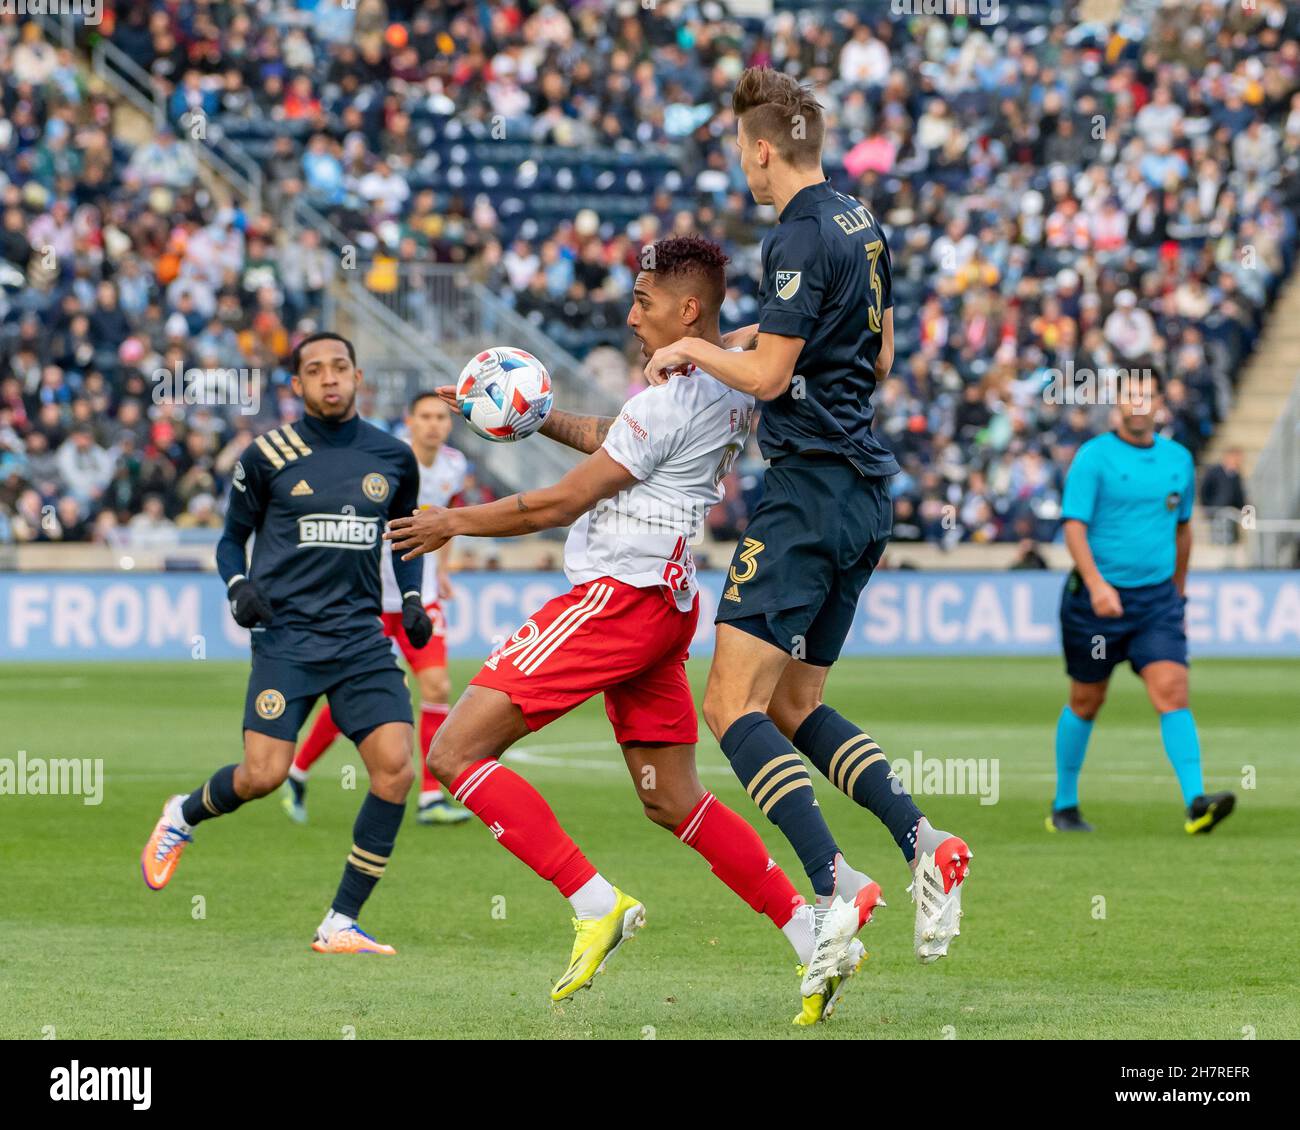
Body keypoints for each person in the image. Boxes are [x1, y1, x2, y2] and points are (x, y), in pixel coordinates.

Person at [388, 236, 861, 1025]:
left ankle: (592, 899)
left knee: (454, 751)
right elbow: (627, 432)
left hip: (617, 595)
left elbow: (555, 505)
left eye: (644, 303)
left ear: (687, 309)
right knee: (672, 798)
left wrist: (452, 521)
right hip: (665, 604)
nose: (630, 316)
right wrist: (535, 417)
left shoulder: (672, 393)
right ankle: (812, 933)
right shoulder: (721, 384)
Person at [643, 68, 971, 985]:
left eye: (736, 150)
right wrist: (757, 337)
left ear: (759, 147)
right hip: (868, 489)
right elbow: (882, 348)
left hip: (808, 492)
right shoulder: (861, 222)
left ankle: (835, 880)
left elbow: (772, 381)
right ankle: (923, 839)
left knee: (731, 708)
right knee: (794, 706)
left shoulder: (791, 234)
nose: (738, 166)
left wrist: (696, 347)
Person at [140, 332, 433, 955]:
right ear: (296, 385)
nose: (330, 379)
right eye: (314, 371)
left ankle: (340, 922)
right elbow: (228, 540)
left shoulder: (394, 458)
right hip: (287, 638)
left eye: (340, 368)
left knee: (396, 769)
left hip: (359, 637)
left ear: (358, 377)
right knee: (262, 776)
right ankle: (182, 815)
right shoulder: (266, 454)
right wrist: (238, 585)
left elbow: (405, 540)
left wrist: (410, 599)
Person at [1052, 369, 1235, 834]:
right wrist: (1096, 585)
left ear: (1160, 403)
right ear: (1118, 403)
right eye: (1130, 395)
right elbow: (1073, 527)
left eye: (1147, 395)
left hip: (1157, 601)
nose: (1139, 403)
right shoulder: (1093, 458)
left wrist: (1178, 589)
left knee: (1172, 690)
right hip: (1095, 603)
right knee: (1087, 699)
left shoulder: (1178, 460)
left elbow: (1183, 528)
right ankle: (1065, 805)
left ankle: (1196, 803)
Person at [283, 392, 472, 826]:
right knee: (356, 692)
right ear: (409, 420)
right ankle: (297, 769)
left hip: (416, 596)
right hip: (370, 594)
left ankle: (428, 798)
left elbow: (445, 519)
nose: (433, 424)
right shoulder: (384, 459)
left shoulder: (454, 465)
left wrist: (441, 570)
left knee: (438, 686)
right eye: (424, 416)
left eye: (441, 417)